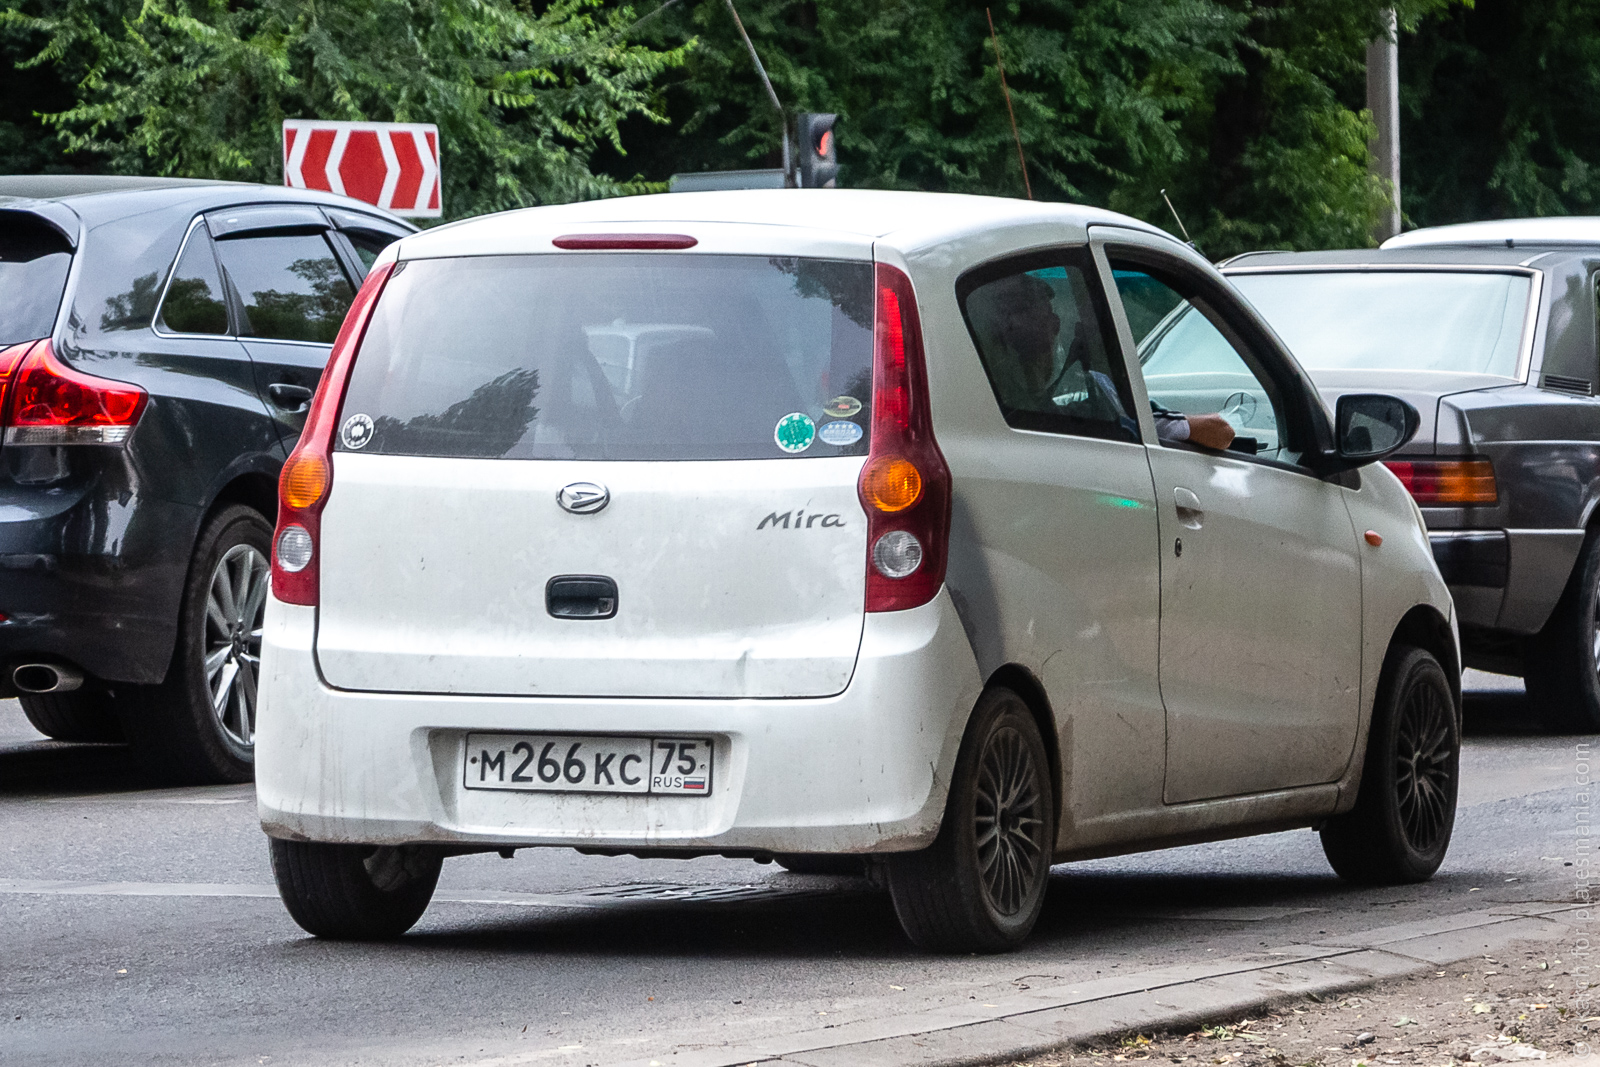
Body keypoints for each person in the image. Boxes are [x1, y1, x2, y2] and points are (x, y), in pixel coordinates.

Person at [982, 273, 1235, 450]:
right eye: (1048, 317)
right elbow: (1221, 432)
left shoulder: (1004, 390)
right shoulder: (1098, 388)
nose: (1056, 325)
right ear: (1012, 326)